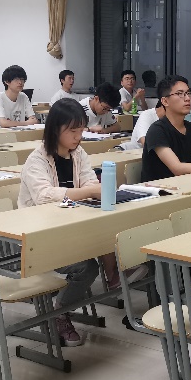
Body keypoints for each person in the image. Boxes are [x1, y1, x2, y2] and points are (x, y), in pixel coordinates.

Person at [18, 98, 123, 345]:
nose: (79, 136)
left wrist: (92, 190)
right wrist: (90, 191)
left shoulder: (78, 153)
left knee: (111, 234)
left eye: (81, 130)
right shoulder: (37, 159)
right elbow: (44, 196)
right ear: (55, 129)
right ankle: (60, 313)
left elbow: (90, 182)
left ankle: (116, 274)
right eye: (73, 131)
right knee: (86, 268)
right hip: (39, 235)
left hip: (69, 227)